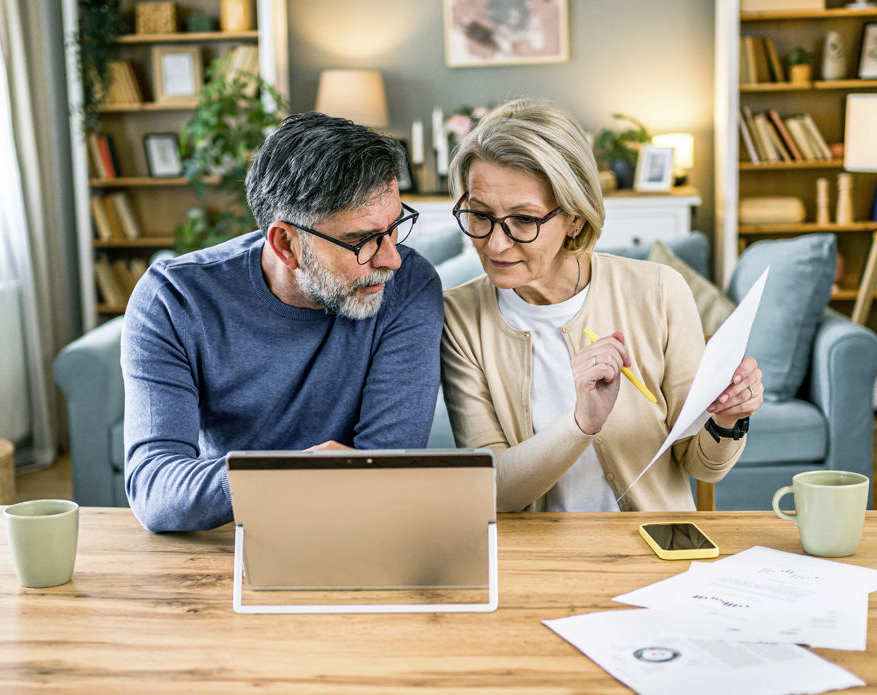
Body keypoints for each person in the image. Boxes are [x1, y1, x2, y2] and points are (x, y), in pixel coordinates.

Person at [122, 112, 444, 533]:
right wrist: (288, 471)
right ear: (285, 244)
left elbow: (384, 473)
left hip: (357, 531)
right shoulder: (174, 300)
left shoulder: (408, 288)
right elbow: (154, 489)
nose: (391, 259)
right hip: (228, 542)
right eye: (361, 240)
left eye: (394, 227)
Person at [440, 99, 763, 513]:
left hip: (655, 551)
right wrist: (581, 423)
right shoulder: (460, 318)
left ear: (574, 218)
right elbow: (493, 489)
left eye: (524, 220)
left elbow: (702, 466)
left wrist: (727, 419)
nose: (496, 243)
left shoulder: (660, 291)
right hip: (537, 565)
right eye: (479, 215)